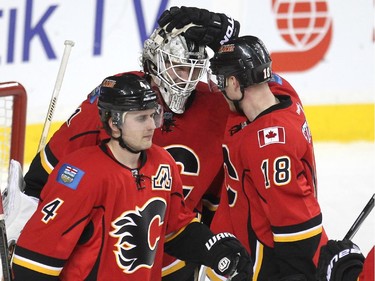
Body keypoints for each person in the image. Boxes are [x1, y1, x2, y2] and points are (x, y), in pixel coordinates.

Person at [18, 7, 240, 281]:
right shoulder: (110, 112)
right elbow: (43, 183)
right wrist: (27, 216)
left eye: (194, 70)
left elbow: (268, 106)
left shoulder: (172, 154)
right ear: (113, 122)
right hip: (102, 262)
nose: (186, 80)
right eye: (179, 68)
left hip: (172, 261)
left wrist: (229, 40)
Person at [204, 35, 329, 280]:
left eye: (221, 82)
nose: (219, 90)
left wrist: (298, 273)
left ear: (234, 83)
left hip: (262, 264)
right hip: (237, 248)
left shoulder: (270, 146)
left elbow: (294, 220)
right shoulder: (286, 95)